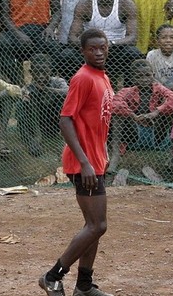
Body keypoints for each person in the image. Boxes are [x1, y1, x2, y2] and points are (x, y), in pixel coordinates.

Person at [38, 28, 115, 296]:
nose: (98, 52)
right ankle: (52, 276)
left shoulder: (102, 77)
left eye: (102, 47)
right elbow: (65, 119)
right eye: (92, 48)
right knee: (98, 225)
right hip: (85, 164)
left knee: (93, 227)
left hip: (95, 161)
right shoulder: (82, 78)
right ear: (83, 51)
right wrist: (84, 162)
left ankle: (84, 286)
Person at [67, 0, 142, 85]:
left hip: (115, 50)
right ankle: (76, 88)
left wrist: (111, 44)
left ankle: (129, 93)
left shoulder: (126, 4)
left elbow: (132, 37)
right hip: (91, 51)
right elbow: (71, 37)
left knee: (133, 53)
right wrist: (90, 46)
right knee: (67, 55)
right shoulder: (84, 5)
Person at [108, 59, 173, 173]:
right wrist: (133, 115)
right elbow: (115, 103)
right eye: (139, 76)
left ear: (153, 75)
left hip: (156, 133)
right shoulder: (127, 91)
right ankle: (116, 154)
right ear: (133, 78)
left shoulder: (159, 89)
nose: (144, 79)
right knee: (119, 114)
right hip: (134, 135)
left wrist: (156, 112)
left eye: (147, 75)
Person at [21, 53, 69, 156]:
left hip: (56, 120)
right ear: (31, 72)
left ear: (50, 70)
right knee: (21, 106)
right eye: (37, 72)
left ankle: (66, 138)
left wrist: (49, 90)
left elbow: (69, 92)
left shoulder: (58, 81)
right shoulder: (29, 87)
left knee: (66, 100)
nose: (41, 76)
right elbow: (23, 95)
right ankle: (31, 140)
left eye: (44, 72)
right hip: (38, 122)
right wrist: (27, 97)